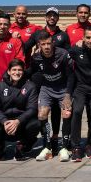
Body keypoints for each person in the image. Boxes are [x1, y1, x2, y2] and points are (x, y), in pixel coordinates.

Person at [26, 33, 74, 162]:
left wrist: (68, 95)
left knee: (67, 113)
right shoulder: (36, 57)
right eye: (43, 44)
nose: (46, 47)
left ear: (53, 43)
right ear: (39, 45)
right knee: (42, 114)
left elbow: (71, 75)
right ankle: (47, 147)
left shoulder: (63, 54)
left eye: (48, 43)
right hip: (46, 88)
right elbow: (31, 71)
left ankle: (64, 148)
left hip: (63, 88)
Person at [0, 59, 39, 161]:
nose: (17, 72)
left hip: (21, 122)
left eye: (20, 70)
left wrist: (18, 121)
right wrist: (5, 121)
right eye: (14, 70)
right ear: (9, 71)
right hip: (4, 122)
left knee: (36, 124)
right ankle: (0, 146)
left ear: (23, 72)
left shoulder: (30, 86)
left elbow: (32, 109)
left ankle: (22, 146)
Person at [67, 27, 91, 161]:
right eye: (88, 37)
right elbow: (60, 54)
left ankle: (90, 143)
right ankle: (76, 146)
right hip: (81, 87)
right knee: (77, 111)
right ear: (83, 38)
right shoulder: (76, 49)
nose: (90, 40)